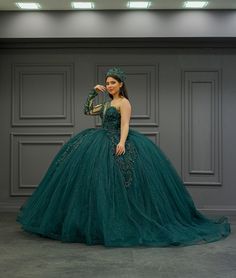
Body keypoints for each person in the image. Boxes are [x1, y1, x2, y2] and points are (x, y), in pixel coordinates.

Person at [16, 67, 230, 247]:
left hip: (117, 140)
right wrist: (92, 93)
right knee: (94, 184)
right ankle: (94, 224)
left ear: (120, 84)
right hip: (98, 140)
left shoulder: (123, 102)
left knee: (121, 184)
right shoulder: (106, 104)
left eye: (112, 83)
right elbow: (87, 111)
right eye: (106, 83)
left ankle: (120, 223)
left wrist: (121, 142)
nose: (108, 85)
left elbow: (126, 124)